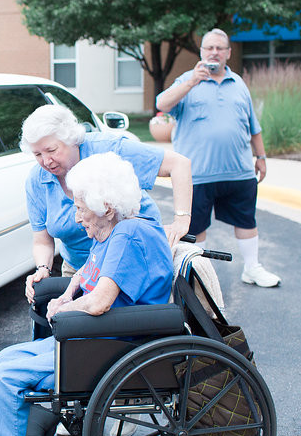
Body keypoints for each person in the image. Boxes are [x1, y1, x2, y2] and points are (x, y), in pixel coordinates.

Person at [0, 152, 174, 436]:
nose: (76, 215)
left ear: (107, 207)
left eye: (81, 207)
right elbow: (87, 271)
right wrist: (66, 293)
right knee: (3, 360)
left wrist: (65, 309)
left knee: (8, 373)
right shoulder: (115, 229)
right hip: (96, 340)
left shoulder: (130, 235)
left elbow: (100, 301)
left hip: (111, 347)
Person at [22, 104, 192, 307]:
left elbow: (178, 164)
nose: (46, 161)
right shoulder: (37, 180)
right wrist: (43, 269)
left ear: (71, 139)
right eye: (37, 154)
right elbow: (42, 241)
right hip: (85, 264)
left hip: (129, 260)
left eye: (51, 150)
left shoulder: (110, 149)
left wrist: (182, 220)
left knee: (102, 314)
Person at [155, 28, 280, 288]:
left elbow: (252, 125)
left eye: (219, 48)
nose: (214, 52)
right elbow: (162, 104)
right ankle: (197, 277)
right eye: (209, 47)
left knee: (247, 221)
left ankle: (252, 268)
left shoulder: (239, 84)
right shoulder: (187, 80)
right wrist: (191, 83)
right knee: (196, 228)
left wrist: (261, 156)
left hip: (239, 172)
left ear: (228, 53)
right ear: (201, 52)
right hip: (197, 174)